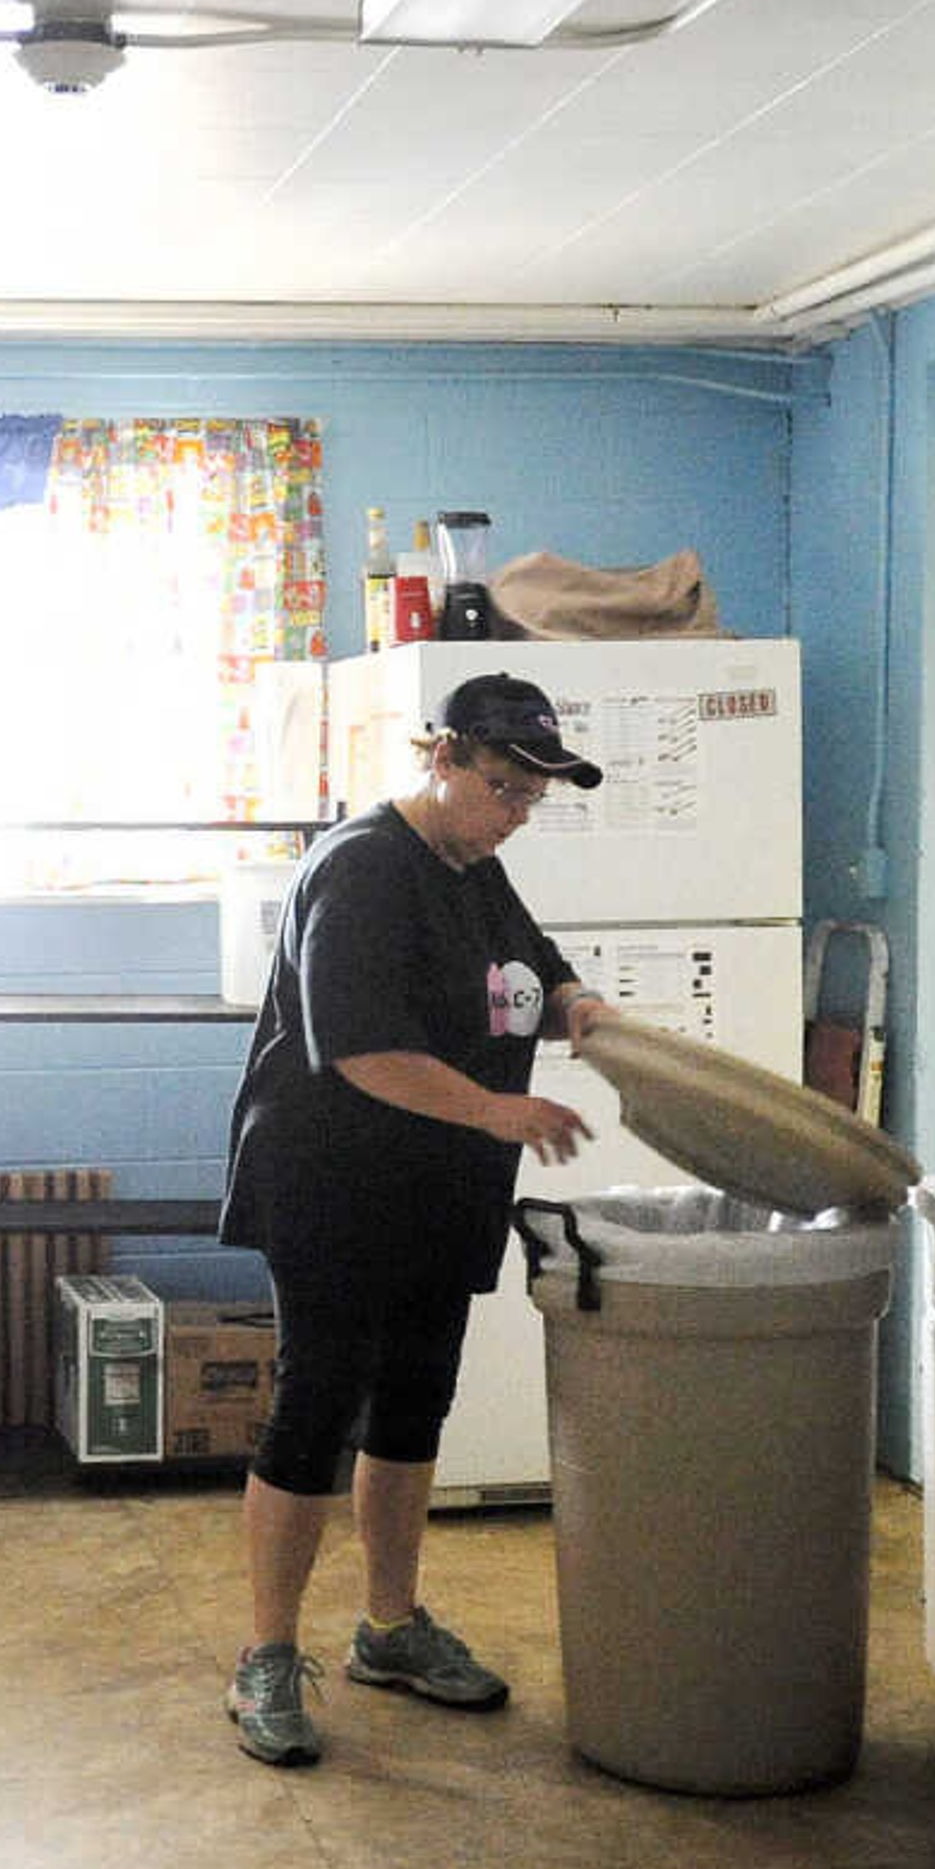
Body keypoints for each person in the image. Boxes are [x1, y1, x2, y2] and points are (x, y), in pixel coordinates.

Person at [213, 671, 621, 1767]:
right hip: (336, 1181)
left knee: (414, 1405)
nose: (512, 815)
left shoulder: (473, 863)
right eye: (499, 788)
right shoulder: (361, 868)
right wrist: (501, 1107)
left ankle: (389, 1627)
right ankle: (264, 1656)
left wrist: (582, 1003)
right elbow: (356, 1046)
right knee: (317, 1402)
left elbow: (536, 962)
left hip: (443, 1180)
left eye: (529, 799)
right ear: (441, 758)